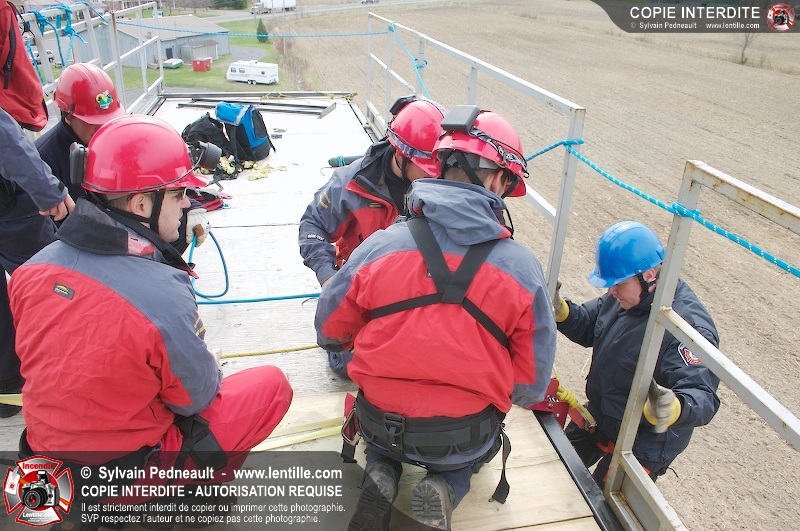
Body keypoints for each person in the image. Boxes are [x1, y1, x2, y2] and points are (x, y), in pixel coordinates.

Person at [9, 115, 292, 478]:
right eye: (177, 194)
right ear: (141, 205)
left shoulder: (29, 272)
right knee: (271, 387)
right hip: (120, 477)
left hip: (44, 466)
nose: (186, 205)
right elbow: (195, 398)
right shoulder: (162, 296)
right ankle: (197, 491)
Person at [315, 106, 557, 530]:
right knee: (465, 459)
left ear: (440, 167)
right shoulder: (522, 269)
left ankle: (381, 472)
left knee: (383, 439)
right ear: (498, 181)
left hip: (379, 421)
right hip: (460, 435)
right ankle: (444, 487)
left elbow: (329, 331)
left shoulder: (379, 246)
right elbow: (530, 384)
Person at [553, 220, 720, 487]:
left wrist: (674, 407)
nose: (610, 291)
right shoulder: (626, 296)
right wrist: (563, 311)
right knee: (556, 468)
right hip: (605, 415)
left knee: (600, 505)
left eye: (617, 283)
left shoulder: (684, 327)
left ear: (649, 275)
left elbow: (702, 395)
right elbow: (589, 325)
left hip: (643, 443)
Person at [299, 95, 448, 376]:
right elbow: (312, 226)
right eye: (428, 169)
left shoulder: (443, 181)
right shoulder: (351, 184)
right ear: (400, 154)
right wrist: (330, 279)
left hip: (421, 287)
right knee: (354, 364)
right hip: (364, 289)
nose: (436, 177)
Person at [36, 62, 209, 252]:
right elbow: (42, 239)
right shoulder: (42, 162)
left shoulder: (117, 137)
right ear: (68, 115)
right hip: (88, 245)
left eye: (108, 119)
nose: (103, 128)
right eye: (94, 123)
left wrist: (191, 205)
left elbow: (157, 179)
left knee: (177, 227)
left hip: (123, 223)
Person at [0, 0, 75, 418]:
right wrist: (48, 190)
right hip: (9, 193)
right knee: (50, 276)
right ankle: (70, 365)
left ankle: (6, 386)